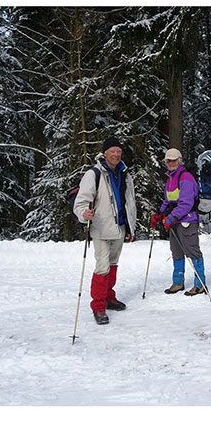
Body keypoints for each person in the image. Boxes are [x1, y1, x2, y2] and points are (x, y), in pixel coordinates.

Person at [73, 136, 137, 325]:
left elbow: (130, 203)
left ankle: (109, 297)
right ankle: (99, 306)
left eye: (118, 151)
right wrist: (84, 213)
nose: (116, 154)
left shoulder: (125, 173)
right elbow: (81, 201)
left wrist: (130, 227)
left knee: (113, 264)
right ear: (105, 153)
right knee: (102, 268)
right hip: (101, 228)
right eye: (112, 151)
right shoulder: (94, 174)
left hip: (119, 227)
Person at [150, 148, 207, 296]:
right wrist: (160, 214)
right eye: (168, 160)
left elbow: (186, 203)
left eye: (174, 160)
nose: (171, 163)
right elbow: (168, 200)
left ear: (180, 161)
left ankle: (200, 284)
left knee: (192, 251)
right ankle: (178, 282)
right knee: (176, 252)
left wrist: (170, 218)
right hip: (175, 221)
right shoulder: (171, 177)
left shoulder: (185, 177)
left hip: (187, 221)